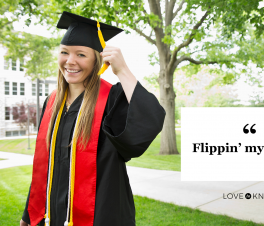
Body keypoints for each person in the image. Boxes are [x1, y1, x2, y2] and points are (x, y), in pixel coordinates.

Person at [20, 11, 165, 226]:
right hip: (52, 215)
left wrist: (122, 70)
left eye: (81, 54)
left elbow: (150, 119)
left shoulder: (112, 99)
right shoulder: (52, 103)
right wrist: (28, 215)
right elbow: (45, 164)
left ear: (97, 59)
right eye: (64, 52)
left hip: (99, 214)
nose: (70, 61)